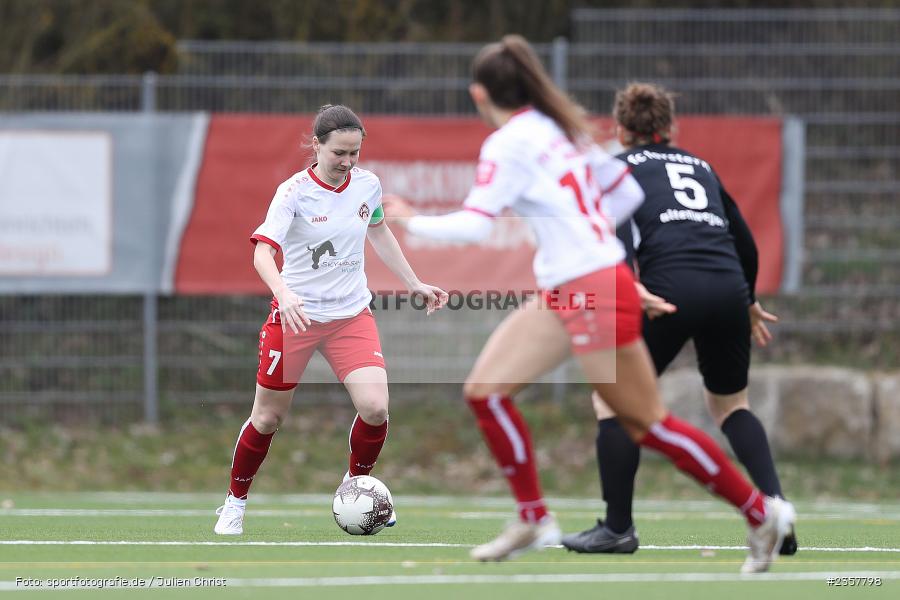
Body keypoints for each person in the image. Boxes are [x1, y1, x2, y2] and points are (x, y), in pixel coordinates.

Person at [383, 35, 795, 572]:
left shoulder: (510, 142)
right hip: (580, 284)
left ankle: (759, 512)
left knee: (645, 422)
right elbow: (625, 195)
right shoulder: (562, 130)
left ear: (478, 94)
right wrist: (594, 244)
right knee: (487, 392)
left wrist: (409, 219)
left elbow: (474, 224)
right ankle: (534, 517)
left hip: (589, 286)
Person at [559, 82, 797, 556]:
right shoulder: (701, 167)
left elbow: (617, 232)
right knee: (731, 406)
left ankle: (618, 527)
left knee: (613, 403)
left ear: (621, 130)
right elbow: (744, 240)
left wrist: (631, 282)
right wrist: (747, 300)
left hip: (667, 291)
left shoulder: (617, 166)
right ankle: (777, 513)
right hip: (728, 288)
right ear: (671, 128)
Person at [214, 104, 448, 535]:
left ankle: (354, 487)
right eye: (339, 152)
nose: (347, 162)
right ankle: (235, 502)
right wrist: (283, 294)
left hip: (350, 316)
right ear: (316, 145)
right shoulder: (293, 192)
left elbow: (378, 229)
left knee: (376, 409)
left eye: (354, 153)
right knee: (268, 419)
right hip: (296, 318)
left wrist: (413, 282)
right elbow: (261, 252)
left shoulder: (367, 185)